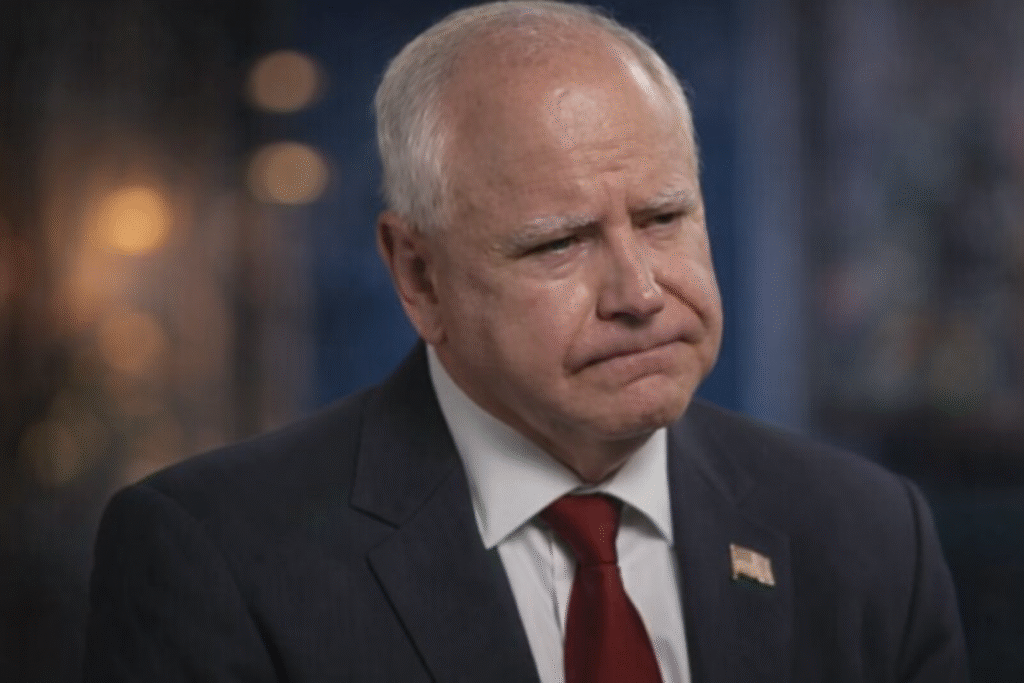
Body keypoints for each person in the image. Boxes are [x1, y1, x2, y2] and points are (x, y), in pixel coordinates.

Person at [83, 2, 968, 681]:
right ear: (418, 275)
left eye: (664, 218)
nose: (640, 292)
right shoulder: (214, 556)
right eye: (560, 242)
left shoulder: (871, 536)